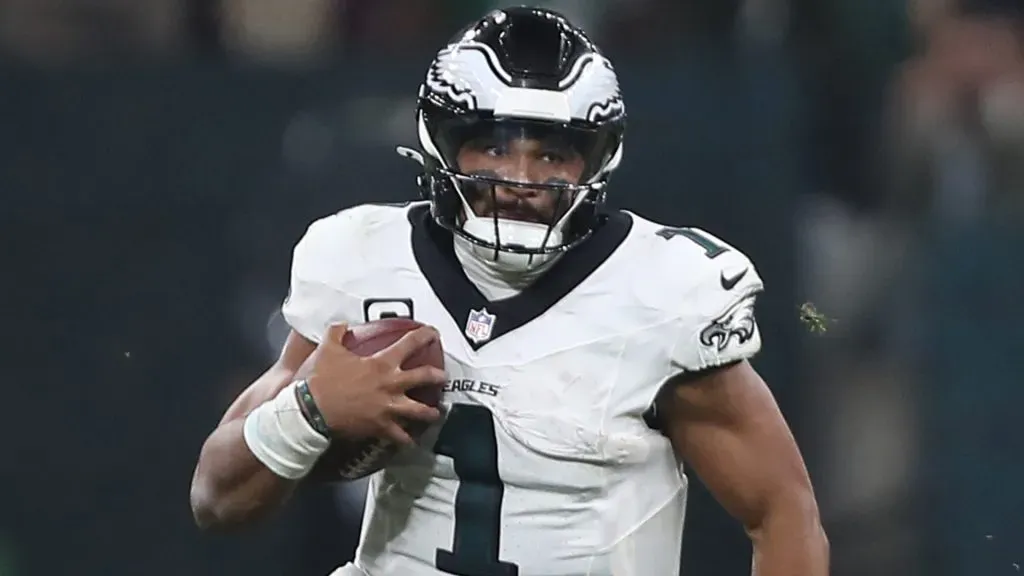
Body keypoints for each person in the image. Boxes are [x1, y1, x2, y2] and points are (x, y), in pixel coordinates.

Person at [189, 7, 829, 576]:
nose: (522, 177)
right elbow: (216, 497)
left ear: (596, 159)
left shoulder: (663, 293)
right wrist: (308, 410)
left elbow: (782, 512)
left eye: (552, 154)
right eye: (494, 146)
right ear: (445, 145)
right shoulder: (362, 262)